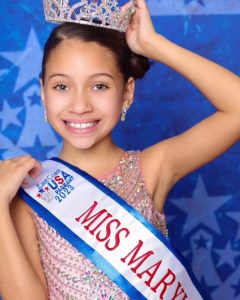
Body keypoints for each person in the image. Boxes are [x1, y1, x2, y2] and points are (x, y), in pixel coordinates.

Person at [0, 0, 240, 298]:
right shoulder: (29, 196)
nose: (80, 105)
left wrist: (154, 45)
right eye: (62, 86)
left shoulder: (151, 168)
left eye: (99, 86)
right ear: (43, 93)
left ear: (126, 93)